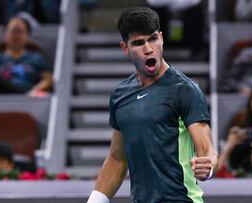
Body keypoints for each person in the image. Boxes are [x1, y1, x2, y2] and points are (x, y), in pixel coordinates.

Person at [87, 7, 218, 203]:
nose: (149, 48)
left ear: (162, 38)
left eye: (153, 39)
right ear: (125, 48)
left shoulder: (185, 89)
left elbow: (207, 148)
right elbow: (117, 159)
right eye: (139, 43)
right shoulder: (120, 95)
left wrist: (208, 167)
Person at [0, 16, 52, 95]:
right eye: (13, 31)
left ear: (28, 36)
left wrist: (34, 90)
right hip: (1, 97)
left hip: (29, 99)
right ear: (5, 34)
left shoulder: (36, 58)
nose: (16, 35)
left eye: (20, 31)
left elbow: (48, 79)